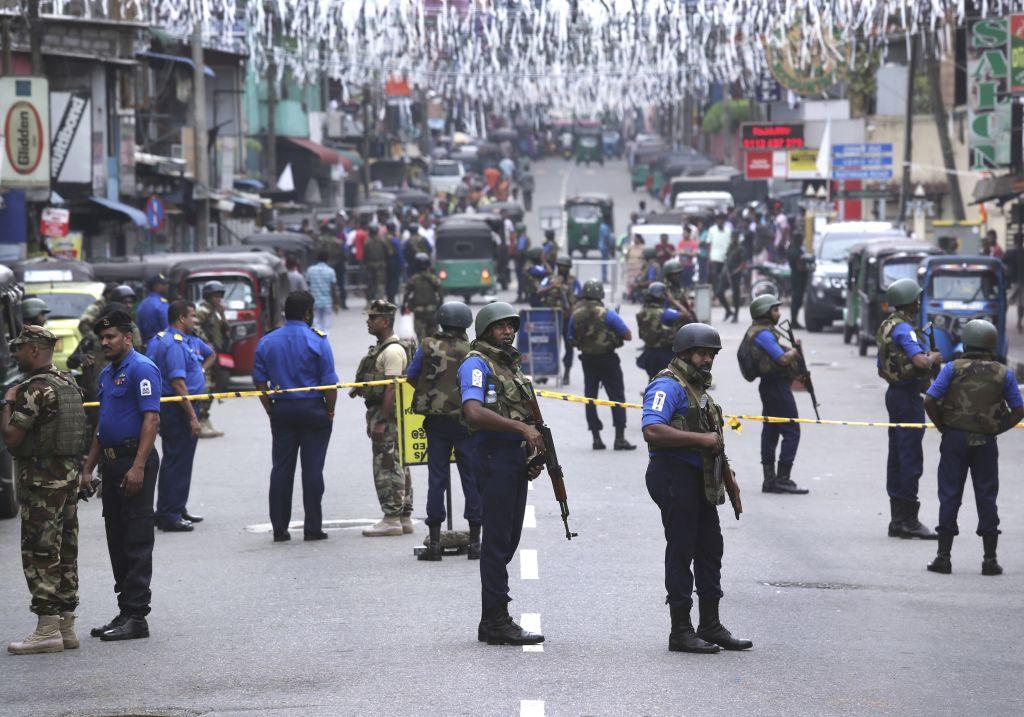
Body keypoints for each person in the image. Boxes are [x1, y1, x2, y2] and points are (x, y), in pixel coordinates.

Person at [641, 323, 751, 654]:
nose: (708, 360)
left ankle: (710, 624)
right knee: (682, 550)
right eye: (702, 354)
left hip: (701, 479)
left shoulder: (698, 389)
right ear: (685, 353)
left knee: (710, 549)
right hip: (673, 476)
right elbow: (652, 430)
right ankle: (680, 630)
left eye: (712, 355)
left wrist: (727, 475)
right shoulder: (667, 385)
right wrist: (701, 440)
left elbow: (713, 439)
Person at [458, 302, 545, 646]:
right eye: (500, 327)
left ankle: (492, 616)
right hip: (492, 455)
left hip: (511, 457)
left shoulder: (509, 366)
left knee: (507, 540)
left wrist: (532, 454)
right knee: (496, 542)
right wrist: (521, 430)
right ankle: (495, 619)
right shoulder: (476, 365)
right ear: (484, 331)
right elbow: (473, 411)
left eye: (511, 326)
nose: (507, 332)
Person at [3, 326, 87, 655]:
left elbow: (12, 438)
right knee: (65, 549)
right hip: (66, 478)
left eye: (21, 349)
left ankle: (47, 629)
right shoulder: (68, 383)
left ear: (35, 351)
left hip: (41, 482)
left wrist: (6, 403)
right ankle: (66, 627)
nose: (17, 354)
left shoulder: (34, 389)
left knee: (40, 552)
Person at [80, 310, 162, 641]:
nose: (104, 342)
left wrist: (139, 466)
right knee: (116, 537)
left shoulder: (141, 368)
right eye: (102, 337)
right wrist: (87, 468)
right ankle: (125, 609)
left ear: (127, 337)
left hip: (133, 459)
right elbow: (104, 425)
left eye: (111, 336)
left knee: (136, 538)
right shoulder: (106, 374)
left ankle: (137, 617)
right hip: (113, 462)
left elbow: (151, 420)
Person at [922, 319, 1022, 575]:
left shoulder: (952, 369)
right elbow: (1019, 409)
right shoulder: (1003, 373)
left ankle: (943, 558)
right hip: (986, 442)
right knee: (987, 496)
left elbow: (930, 401)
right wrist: (996, 429)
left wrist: (944, 427)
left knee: (950, 495)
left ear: (966, 341)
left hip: (954, 439)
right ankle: (990, 560)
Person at [253, 291, 338, 543]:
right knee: (313, 471)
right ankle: (312, 528)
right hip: (314, 410)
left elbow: (259, 381)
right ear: (309, 313)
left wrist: (270, 409)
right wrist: (330, 411)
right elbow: (329, 384)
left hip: (282, 411)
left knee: (281, 469)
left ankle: (280, 528)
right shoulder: (319, 340)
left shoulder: (267, 341)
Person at [407, 301, 482, 561]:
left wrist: (431, 393)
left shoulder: (428, 345)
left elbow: (411, 375)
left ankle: (435, 543)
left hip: (436, 422)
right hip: (466, 421)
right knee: (471, 478)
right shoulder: (472, 350)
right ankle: (475, 543)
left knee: (436, 479)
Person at [876, 278, 942, 540]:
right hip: (907, 396)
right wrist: (934, 358)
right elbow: (920, 361)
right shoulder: (904, 330)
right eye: (916, 298)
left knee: (897, 454)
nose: (918, 302)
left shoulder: (887, 325)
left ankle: (897, 519)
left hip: (895, 393)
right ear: (909, 302)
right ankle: (909, 521)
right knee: (910, 456)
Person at [147, 301, 210, 532]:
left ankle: (175, 507)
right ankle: (169, 514)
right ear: (181, 318)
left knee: (177, 459)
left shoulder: (160, 339)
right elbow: (178, 383)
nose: (195, 321)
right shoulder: (174, 344)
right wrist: (193, 417)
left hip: (172, 407)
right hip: (178, 408)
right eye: (192, 316)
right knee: (177, 460)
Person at [352, 300, 414, 537]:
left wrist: (382, 420)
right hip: (385, 416)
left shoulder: (392, 351)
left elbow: (391, 389)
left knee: (387, 466)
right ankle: (403, 516)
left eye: (373, 318)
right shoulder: (384, 348)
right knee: (398, 463)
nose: (369, 322)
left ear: (385, 321)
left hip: (387, 417)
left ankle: (391, 518)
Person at [742, 295, 809, 495]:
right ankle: (782, 479)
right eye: (775, 310)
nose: (779, 313)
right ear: (764, 312)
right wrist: (795, 353)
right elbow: (780, 359)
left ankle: (770, 480)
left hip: (771, 387)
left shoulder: (761, 331)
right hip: (776, 388)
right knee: (792, 431)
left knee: (771, 431)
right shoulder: (763, 334)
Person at [568, 280, 636, 450]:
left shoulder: (575, 315)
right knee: (617, 398)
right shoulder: (608, 314)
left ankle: (596, 438)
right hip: (608, 360)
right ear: (600, 295)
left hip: (588, 361)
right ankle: (619, 438)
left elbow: (570, 339)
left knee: (590, 398)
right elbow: (628, 335)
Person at [194, 280, 230, 438]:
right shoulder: (202, 310)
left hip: (215, 353)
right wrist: (205, 343)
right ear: (208, 296)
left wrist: (222, 315)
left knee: (214, 386)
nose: (218, 299)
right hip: (204, 355)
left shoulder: (214, 311)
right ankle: (200, 420)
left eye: (220, 296)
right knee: (206, 387)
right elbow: (195, 327)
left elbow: (225, 330)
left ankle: (205, 418)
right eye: (216, 296)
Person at [538, 256, 581, 384]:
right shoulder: (549, 279)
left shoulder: (574, 282)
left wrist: (573, 309)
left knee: (569, 346)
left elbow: (581, 298)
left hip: (567, 319)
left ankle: (566, 373)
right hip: (551, 318)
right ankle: (546, 373)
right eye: (560, 266)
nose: (562, 268)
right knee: (549, 346)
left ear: (569, 268)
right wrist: (552, 286)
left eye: (565, 266)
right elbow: (539, 291)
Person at [636, 282, 690, 380]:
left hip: (649, 353)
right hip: (665, 354)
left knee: (653, 381)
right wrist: (673, 300)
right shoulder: (665, 313)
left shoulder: (641, 312)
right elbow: (686, 314)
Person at [402, 252, 445, 342]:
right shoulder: (433, 279)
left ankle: (423, 354)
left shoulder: (414, 279)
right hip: (432, 311)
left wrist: (403, 305)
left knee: (421, 340)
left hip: (418, 312)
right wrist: (440, 306)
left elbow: (406, 293)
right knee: (433, 338)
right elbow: (440, 294)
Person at [305, 250, 340, 334]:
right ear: (327, 259)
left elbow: (307, 286)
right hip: (327, 302)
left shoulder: (310, 270)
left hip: (314, 301)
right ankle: (324, 341)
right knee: (326, 325)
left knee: (316, 323)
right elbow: (333, 288)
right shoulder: (330, 271)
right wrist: (337, 302)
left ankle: (317, 341)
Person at [136, 274, 170, 347]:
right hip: (162, 344)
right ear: (156, 286)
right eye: (164, 284)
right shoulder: (161, 303)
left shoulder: (143, 303)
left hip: (147, 345)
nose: (167, 286)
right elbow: (167, 328)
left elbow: (139, 328)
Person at [787, 232, 810, 329]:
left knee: (797, 301)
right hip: (798, 279)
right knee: (796, 300)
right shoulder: (795, 251)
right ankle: (793, 321)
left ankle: (794, 321)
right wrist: (809, 269)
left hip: (797, 278)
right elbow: (800, 267)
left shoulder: (794, 249)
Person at [363, 226, 392, 301]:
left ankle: (369, 301)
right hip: (381, 265)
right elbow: (388, 253)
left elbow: (364, 255)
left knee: (370, 283)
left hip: (370, 265)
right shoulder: (382, 241)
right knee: (380, 283)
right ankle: (380, 300)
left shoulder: (367, 242)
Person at [706, 214, 731, 300]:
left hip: (725, 257)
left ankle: (720, 292)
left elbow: (730, 243)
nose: (720, 221)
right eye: (719, 219)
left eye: (722, 219)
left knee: (724, 277)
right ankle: (715, 293)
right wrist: (709, 257)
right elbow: (709, 243)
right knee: (715, 276)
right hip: (715, 256)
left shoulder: (728, 230)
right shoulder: (712, 230)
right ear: (716, 221)